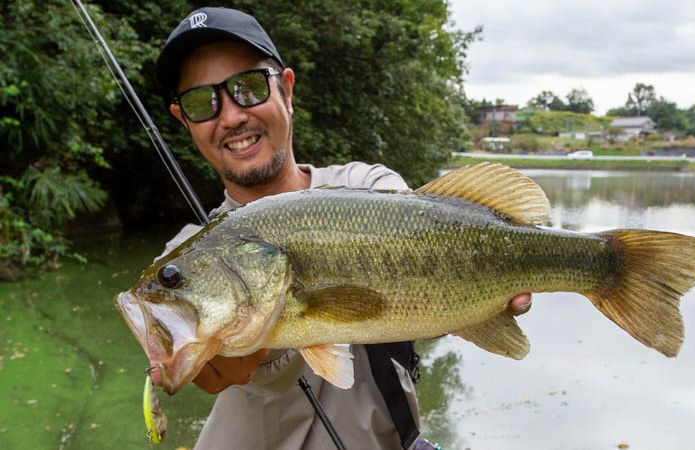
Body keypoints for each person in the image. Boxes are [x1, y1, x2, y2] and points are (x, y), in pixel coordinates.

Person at [153, 7, 532, 450]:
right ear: (184, 121)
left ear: (287, 90)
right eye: (204, 102)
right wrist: (198, 354)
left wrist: (482, 298)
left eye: (249, 88)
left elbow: (428, 245)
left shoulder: (367, 188)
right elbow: (212, 368)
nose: (232, 116)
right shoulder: (186, 254)